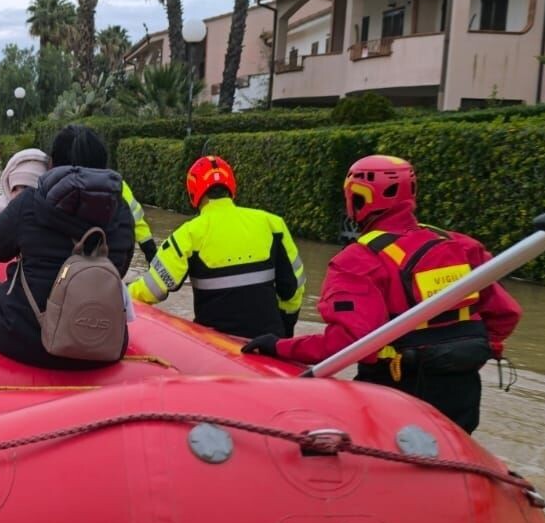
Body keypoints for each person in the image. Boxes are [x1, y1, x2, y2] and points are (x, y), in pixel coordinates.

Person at [242, 153, 521, 433]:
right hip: (463, 390)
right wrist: (467, 353)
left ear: (357, 199)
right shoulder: (460, 245)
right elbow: (505, 314)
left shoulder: (358, 261)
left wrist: (278, 347)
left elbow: (346, 343)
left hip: (396, 390)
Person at [0, 124, 134, 367]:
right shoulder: (122, 210)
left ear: (52, 163)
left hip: (25, 339)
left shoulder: (30, 201)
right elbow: (121, 267)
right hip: (101, 344)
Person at [128, 154, 306, 340]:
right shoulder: (274, 224)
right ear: (232, 187)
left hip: (215, 346)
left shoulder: (188, 234)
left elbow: (152, 289)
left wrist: (121, 293)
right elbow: (294, 288)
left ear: (193, 193)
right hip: (269, 341)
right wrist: (285, 332)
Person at [120, 180, 159, 263]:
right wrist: (151, 252)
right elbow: (136, 219)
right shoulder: (118, 184)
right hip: (115, 255)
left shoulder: (118, 184)